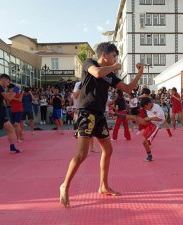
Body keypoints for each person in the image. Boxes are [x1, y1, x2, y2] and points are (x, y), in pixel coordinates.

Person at [59, 42, 144, 207]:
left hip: (99, 115)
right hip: (85, 112)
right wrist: (114, 66)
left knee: (108, 149)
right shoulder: (89, 63)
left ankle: (103, 185)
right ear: (104, 55)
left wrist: (140, 73)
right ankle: (65, 185)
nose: (115, 59)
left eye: (116, 58)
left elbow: (127, 88)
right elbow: (97, 73)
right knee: (82, 154)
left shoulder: (110, 75)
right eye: (113, 56)